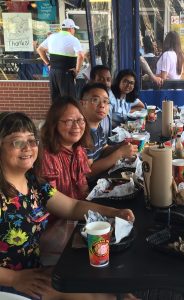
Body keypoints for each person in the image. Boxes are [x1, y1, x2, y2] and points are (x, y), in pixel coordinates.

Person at [0, 111, 135, 300]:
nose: (28, 147)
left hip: (35, 270)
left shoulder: (33, 183)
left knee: (109, 282)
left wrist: (114, 212)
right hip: (11, 286)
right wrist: (14, 279)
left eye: (31, 140)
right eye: (17, 142)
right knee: (103, 297)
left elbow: (72, 207)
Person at [39, 98, 92, 265]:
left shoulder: (78, 149)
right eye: (68, 121)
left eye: (80, 120)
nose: (76, 126)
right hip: (56, 227)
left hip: (78, 216)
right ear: (54, 124)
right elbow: (56, 208)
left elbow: (83, 189)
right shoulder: (48, 155)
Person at [80, 82, 138, 179]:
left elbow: (103, 149)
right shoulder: (81, 132)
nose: (102, 105)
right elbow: (88, 172)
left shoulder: (98, 127)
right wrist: (119, 153)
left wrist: (120, 146)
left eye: (106, 101)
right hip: (90, 186)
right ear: (82, 104)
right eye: (95, 100)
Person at [37, 19, 84, 102]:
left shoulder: (52, 37)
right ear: (70, 28)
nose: (74, 31)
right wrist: (77, 70)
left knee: (56, 101)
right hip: (66, 73)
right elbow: (81, 56)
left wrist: (48, 64)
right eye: (74, 29)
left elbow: (39, 49)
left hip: (53, 73)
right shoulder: (73, 39)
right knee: (69, 101)